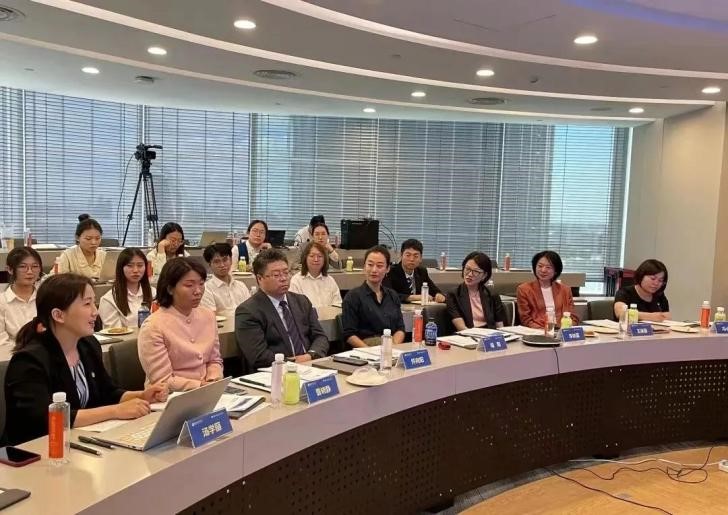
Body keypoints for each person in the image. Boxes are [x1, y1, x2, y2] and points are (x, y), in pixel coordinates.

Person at [4, 274, 167, 445]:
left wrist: (141, 396)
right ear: (59, 315)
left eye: (94, 303)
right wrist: (115, 411)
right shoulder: (29, 361)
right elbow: (47, 418)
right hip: (36, 450)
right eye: (87, 304)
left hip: (79, 441)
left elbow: (108, 392)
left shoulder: (88, 345)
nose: (95, 312)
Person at [137, 257, 223, 391]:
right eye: (189, 285)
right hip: (171, 396)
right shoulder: (153, 326)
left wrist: (213, 379)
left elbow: (215, 360)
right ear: (170, 289)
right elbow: (163, 380)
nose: (198, 291)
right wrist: (200, 386)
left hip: (208, 390)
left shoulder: (208, 316)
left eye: (201, 284)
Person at [235, 249, 329, 371]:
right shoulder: (248, 311)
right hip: (276, 372)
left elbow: (320, 337)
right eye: (276, 275)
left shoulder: (301, 301)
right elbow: (259, 356)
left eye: (286, 272)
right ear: (260, 278)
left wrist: (310, 356)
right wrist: (294, 363)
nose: (284, 278)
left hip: (310, 365)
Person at [342, 245, 406, 347]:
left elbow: (400, 328)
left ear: (387, 269)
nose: (374, 270)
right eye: (370, 265)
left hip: (390, 347)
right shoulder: (353, 297)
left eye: (379, 266)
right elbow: (349, 334)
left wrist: (392, 347)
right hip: (364, 349)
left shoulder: (392, 295)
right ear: (364, 267)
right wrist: (370, 351)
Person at [516, 250, 579, 329]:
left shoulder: (565, 290)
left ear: (556, 271)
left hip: (561, 330)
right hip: (537, 331)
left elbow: (573, 317)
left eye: (548, 267)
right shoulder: (524, 289)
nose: (543, 270)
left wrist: (565, 329)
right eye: (540, 266)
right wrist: (544, 331)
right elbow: (525, 319)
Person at [446, 252, 507, 331]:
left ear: (484, 275)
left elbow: (500, 326)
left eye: (476, 271)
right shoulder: (453, 295)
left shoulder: (492, 295)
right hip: (467, 334)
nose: (470, 274)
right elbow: (461, 328)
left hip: (490, 334)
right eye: (467, 269)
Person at [98, 248, 155, 328]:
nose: (135, 270)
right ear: (121, 268)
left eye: (140, 265)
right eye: (130, 266)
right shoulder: (108, 300)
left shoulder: (154, 293)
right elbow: (115, 332)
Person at [0, 247, 42, 346]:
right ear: (10, 269)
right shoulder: (2, 302)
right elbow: (2, 342)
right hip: (13, 354)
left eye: (35, 266)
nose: (30, 272)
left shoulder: (46, 297)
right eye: (23, 267)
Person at [384, 239, 445, 304]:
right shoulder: (390, 272)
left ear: (420, 258)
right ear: (401, 255)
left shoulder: (421, 272)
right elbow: (388, 295)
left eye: (416, 256)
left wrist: (439, 295)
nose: (411, 259)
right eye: (408, 255)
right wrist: (413, 297)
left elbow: (435, 291)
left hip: (419, 309)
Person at [289, 241, 342, 309]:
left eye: (320, 256)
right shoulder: (296, 281)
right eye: (312, 256)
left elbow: (337, 305)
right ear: (305, 258)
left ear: (324, 259)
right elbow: (295, 308)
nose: (316, 259)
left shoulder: (330, 280)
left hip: (329, 315)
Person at [201, 243, 251, 313]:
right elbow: (210, 316)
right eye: (217, 262)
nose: (222, 265)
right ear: (210, 264)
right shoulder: (207, 289)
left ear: (231, 260)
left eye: (225, 260)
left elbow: (250, 310)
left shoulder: (241, 286)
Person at [58, 214, 106, 279]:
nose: (94, 242)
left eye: (97, 238)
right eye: (88, 239)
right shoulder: (68, 255)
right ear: (77, 238)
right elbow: (54, 280)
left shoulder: (104, 255)